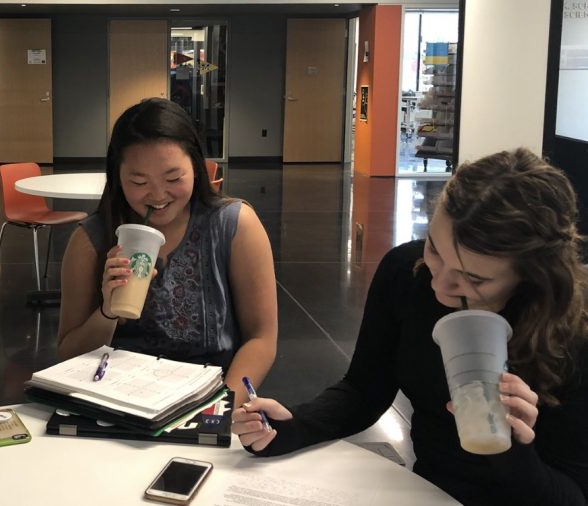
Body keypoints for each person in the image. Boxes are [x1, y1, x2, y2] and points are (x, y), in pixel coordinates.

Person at [233, 148, 588, 505]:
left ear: (532, 275)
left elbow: (573, 496)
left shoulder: (573, 331)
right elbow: (364, 390)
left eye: (473, 279)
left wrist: (512, 450)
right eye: (435, 249)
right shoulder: (408, 272)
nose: (440, 286)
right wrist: (291, 427)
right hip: (426, 492)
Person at [57, 98, 277, 404]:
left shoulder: (234, 226)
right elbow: (68, 354)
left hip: (211, 397)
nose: (158, 195)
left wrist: (220, 409)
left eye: (173, 178)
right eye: (138, 181)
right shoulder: (91, 240)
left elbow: (261, 339)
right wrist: (107, 311)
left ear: (197, 169)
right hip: (117, 403)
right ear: (117, 178)